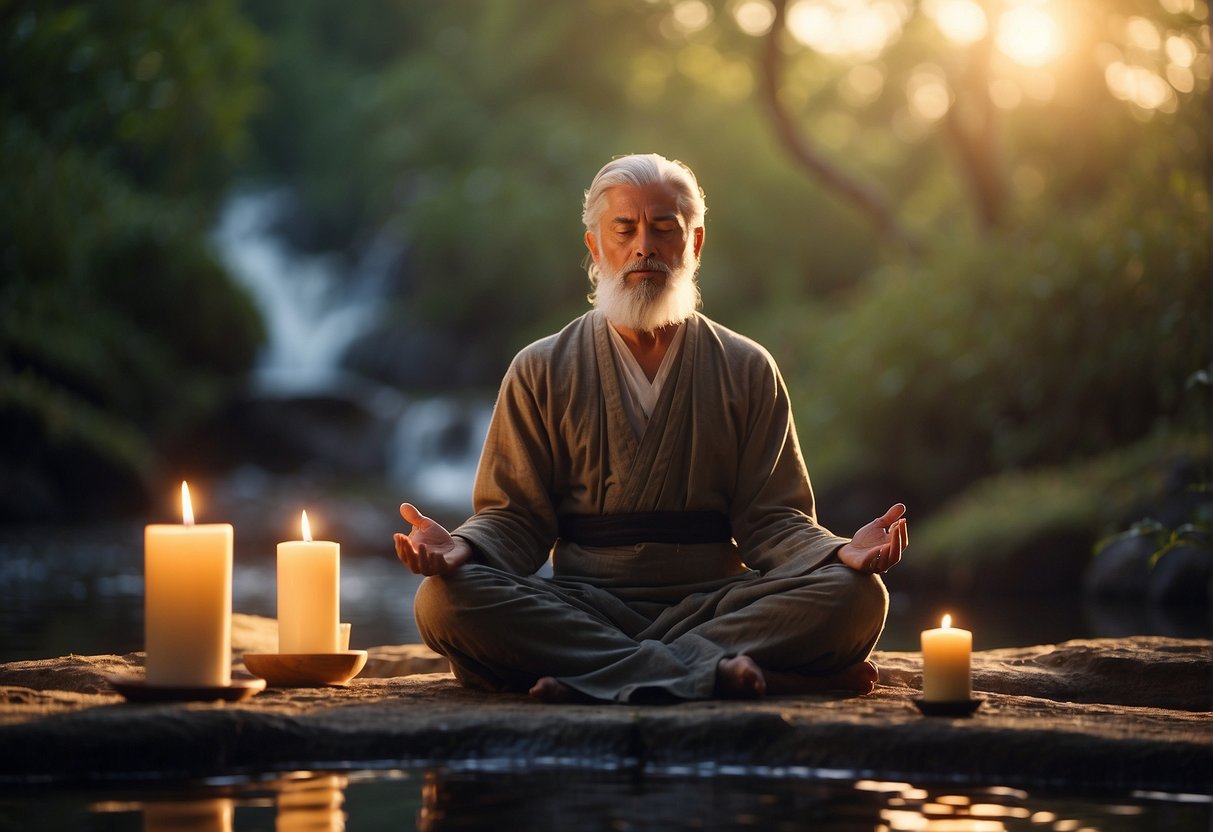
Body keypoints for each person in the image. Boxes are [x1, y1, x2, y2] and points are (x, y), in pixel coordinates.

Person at [394, 152, 908, 703]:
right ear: (595, 246)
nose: (645, 247)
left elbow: (773, 520)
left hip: (715, 604)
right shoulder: (540, 368)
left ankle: (595, 678)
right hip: (582, 605)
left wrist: (839, 553)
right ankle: (721, 674)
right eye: (625, 229)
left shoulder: (745, 366)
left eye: (665, 229)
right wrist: (461, 550)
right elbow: (514, 520)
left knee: (857, 596)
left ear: (696, 242)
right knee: (443, 602)